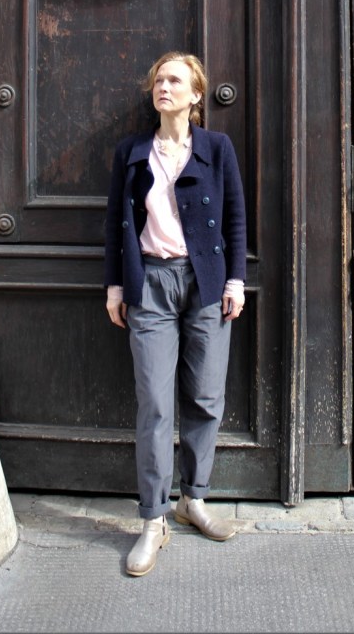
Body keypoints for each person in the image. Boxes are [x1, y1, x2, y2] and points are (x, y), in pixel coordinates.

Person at [104, 51, 247, 577]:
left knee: (206, 396)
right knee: (155, 404)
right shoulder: (132, 151)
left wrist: (235, 280)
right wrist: (115, 286)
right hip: (150, 284)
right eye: (159, 80)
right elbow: (114, 222)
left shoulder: (216, 147)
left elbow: (235, 216)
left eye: (175, 81)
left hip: (205, 282)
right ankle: (153, 519)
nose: (164, 87)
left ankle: (194, 499)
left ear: (195, 94)